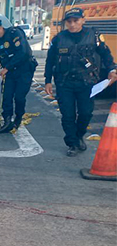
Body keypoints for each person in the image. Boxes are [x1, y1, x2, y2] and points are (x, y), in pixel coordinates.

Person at [44, 7, 117, 156]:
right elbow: (50, 61)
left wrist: (111, 69)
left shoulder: (94, 36)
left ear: (83, 20)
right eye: (69, 22)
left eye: (75, 21)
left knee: (85, 113)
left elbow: (106, 54)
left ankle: (78, 136)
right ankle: (72, 143)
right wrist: (47, 80)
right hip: (64, 83)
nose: (72, 24)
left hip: (86, 82)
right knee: (68, 115)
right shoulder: (58, 39)